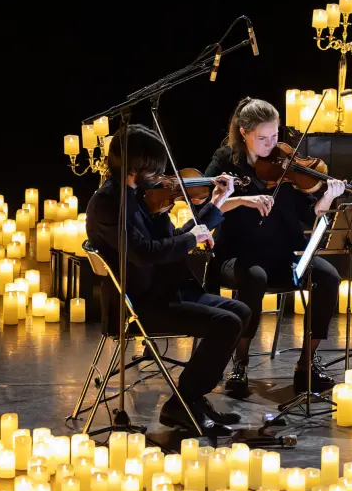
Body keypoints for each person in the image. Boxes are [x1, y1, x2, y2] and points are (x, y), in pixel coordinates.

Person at [84, 123, 268, 436]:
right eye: (154, 169)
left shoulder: (137, 197)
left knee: (240, 311)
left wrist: (217, 204)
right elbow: (144, 253)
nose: (159, 176)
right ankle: (182, 403)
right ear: (136, 165)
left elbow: (176, 240)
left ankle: (190, 399)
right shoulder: (110, 203)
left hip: (163, 290)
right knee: (226, 323)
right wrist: (191, 238)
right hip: (139, 305)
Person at [204, 97, 348, 396]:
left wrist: (327, 198)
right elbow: (208, 205)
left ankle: (306, 364)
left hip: (282, 255)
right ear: (243, 132)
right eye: (262, 138)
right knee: (254, 277)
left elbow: (308, 213)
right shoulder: (226, 160)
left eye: (274, 136)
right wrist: (244, 199)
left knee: (329, 277)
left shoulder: (286, 165)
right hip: (237, 256)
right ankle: (240, 364)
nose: (270, 145)